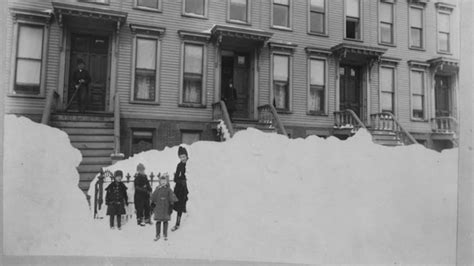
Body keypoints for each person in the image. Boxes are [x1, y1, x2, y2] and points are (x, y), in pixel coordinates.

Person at [150, 173, 178, 241]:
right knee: (158, 221)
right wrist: (153, 203)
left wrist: (171, 205)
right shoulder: (157, 189)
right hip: (158, 208)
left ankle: (165, 234)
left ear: (167, 182)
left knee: (165, 221)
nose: (163, 183)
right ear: (159, 181)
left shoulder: (168, 189)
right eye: (162, 181)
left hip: (166, 208)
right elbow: (153, 196)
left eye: (164, 181)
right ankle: (157, 234)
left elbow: (172, 197)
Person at [171, 146, 189, 231]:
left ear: (187, 156)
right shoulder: (179, 165)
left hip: (190, 187)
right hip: (181, 188)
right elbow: (175, 178)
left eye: (184, 156)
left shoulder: (191, 163)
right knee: (180, 206)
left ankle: (190, 221)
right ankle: (177, 223)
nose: (183, 158)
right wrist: (181, 181)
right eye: (181, 157)